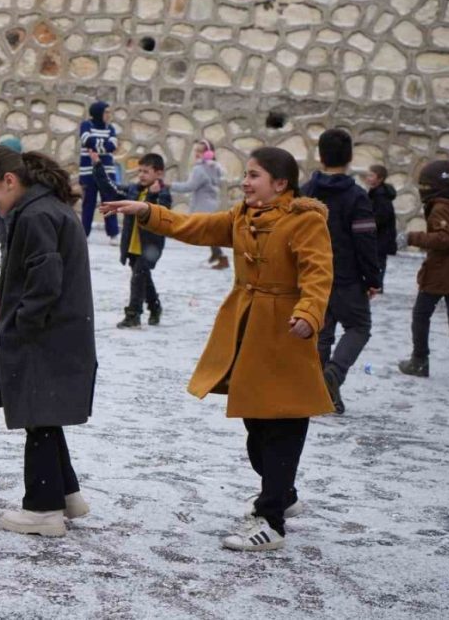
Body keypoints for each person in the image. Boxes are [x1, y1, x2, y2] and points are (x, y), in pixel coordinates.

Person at [102, 146, 334, 552]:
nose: (245, 182)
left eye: (254, 175)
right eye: (245, 174)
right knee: (256, 428)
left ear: (281, 183)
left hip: (286, 335)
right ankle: (282, 492)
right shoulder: (243, 216)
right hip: (248, 332)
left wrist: (309, 313)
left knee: (282, 424)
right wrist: (147, 212)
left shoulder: (305, 221)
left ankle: (272, 521)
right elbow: (195, 226)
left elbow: (318, 273)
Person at [0, 146, 97, 538]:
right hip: (60, 333)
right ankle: (66, 493)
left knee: (37, 417)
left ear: (9, 181)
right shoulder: (47, 208)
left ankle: (43, 508)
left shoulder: (35, 215)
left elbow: (45, 279)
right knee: (44, 414)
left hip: (44, 336)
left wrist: (22, 324)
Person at [301, 129, 380, 414]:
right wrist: (373, 279)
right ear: (349, 158)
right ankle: (333, 375)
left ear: (320, 156)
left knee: (322, 333)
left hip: (311, 275)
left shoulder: (306, 192)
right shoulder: (357, 197)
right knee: (359, 327)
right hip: (346, 277)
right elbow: (365, 241)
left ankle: (317, 392)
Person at [398, 160, 449, 391]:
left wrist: (411, 238)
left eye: (424, 185)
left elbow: (445, 238)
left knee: (421, 316)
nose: (422, 189)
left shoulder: (442, 206)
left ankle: (419, 361)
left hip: (440, 273)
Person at [108, 152, 171, 328]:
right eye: (140, 171)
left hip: (150, 246)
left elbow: (157, 213)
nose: (141, 175)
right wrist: (97, 166)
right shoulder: (134, 189)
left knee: (138, 277)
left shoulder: (163, 194)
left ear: (158, 173)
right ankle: (154, 306)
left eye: (146, 171)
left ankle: (133, 315)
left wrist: (152, 196)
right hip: (133, 243)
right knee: (143, 277)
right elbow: (111, 188)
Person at [170, 139, 227, 269]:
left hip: (202, 207)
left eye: (200, 151)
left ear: (208, 153)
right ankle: (216, 255)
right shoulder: (214, 167)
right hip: (211, 205)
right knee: (209, 232)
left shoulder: (199, 169)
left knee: (207, 233)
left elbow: (189, 186)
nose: (196, 153)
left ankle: (221, 257)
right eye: (196, 150)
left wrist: (170, 185)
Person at [78, 100, 120, 244]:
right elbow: (86, 141)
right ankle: (84, 234)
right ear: (98, 113)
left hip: (107, 172)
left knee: (109, 202)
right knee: (88, 203)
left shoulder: (110, 128)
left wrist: (95, 146)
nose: (108, 115)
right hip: (88, 171)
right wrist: (102, 145)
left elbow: (112, 146)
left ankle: (113, 234)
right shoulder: (86, 125)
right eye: (106, 112)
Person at [0, 135, 23, 270]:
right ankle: (4, 259)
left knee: (12, 237)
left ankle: (11, 262)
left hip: (12, 211)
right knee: (2, 237)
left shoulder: (19, 174)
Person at [364, 164, 397, 289]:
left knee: (379, 261)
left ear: (380, 179)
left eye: (371, 175)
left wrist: (366, 225)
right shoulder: (375, 193)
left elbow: (381, 218)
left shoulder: (381, 196)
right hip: (378, 235)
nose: (368, 178)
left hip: (381, 236)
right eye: (368, 175)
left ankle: (377, 285)